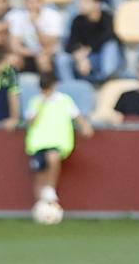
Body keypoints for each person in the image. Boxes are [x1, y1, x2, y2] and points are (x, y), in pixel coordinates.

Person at [25, 70, 93, 208]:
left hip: (57, 141)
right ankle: (43, 206)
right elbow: (30, 121)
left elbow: (76, 115)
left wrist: (85, 126)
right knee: (39, 174)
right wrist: (41, 106)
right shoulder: (36, 101)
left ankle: (50, 189)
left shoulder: (64, 100)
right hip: (38, 143)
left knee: (53, 158)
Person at [58, 0, 119, 84]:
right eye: (81, 1)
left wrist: (88, 50)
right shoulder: (77, 20)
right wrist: (80, 57)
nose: (81, 4)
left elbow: (107, 37)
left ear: (97, 4)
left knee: (111, 46)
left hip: (100, 57)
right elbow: (70, 43)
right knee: (62, 59)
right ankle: (70, 87)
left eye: (86, 1)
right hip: (82, 58)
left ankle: (108, 81)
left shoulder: (107, 18)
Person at [9, 0, 63, 74]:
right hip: (28, 54)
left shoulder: (53, 16)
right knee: (12, 59)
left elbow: (50, 45)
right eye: (30, 2)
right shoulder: (18, 16)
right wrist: (33, 53)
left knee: (43, 60)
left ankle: (48, 85)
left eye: (36, 2)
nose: (33, 5)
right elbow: (15, 46)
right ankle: (13, 85)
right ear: (25, 3)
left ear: (43, 2)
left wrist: (36, 25)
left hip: (48, 54)